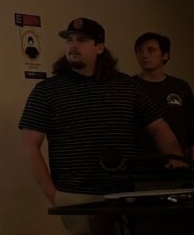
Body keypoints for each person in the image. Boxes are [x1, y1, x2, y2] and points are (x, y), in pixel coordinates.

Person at [19, 18, 184, 235]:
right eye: (69, 40)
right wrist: (54, 195)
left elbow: (160, 128)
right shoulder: (46, 91)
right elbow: (30, 146)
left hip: (126, 193)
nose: (73, 45)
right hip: (77, 195)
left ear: (99, 47)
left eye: (81, 40)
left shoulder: (127, 85)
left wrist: (177, 164)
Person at [134, 32, 194, 163]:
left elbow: (193, 131)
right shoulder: (130, 86)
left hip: (177, 161)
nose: (144, 55)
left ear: (165, 55)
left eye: (151, 50)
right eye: (139, 51)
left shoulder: (180, 87)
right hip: (141, 163)